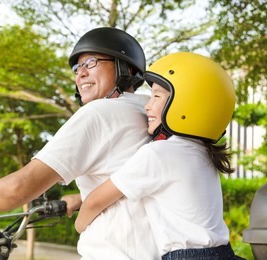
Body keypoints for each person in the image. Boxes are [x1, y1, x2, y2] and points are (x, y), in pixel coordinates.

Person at [0, 27, 159, 259]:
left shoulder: (99, 112)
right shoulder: (149, 109)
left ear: (126, 68)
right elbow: (134, 178)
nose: (80, 74)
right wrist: (82, 198)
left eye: (91, 62)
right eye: (77, 67)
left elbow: (20, 188)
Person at [75, 52, 244, 259]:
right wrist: (76, 199)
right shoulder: (201, 153)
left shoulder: (160, 153)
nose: (147, 105)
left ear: (186, 104)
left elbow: (95, 201)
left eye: (156, 96)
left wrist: (80, 225)